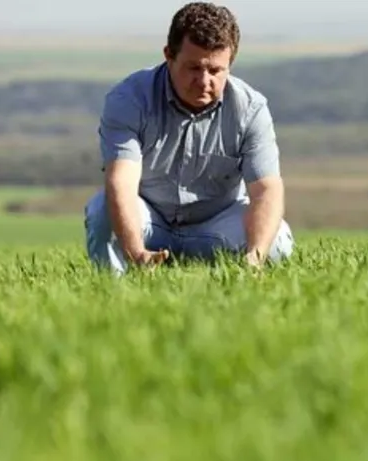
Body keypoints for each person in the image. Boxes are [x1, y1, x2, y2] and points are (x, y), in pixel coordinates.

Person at [84, 1, 293, 275]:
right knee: (101, 211)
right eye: (194, 68)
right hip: (150, 221)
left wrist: (254, 259)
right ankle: (116, 292)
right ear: (169, 56)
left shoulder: (251, 110)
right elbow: (121, 180)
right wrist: (136, 252)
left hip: (215, 227)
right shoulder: (129, 99)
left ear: (230, 64)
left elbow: (266, 190)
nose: (205, 81)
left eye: (216, 70)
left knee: (276, 240)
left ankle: (230, 291)